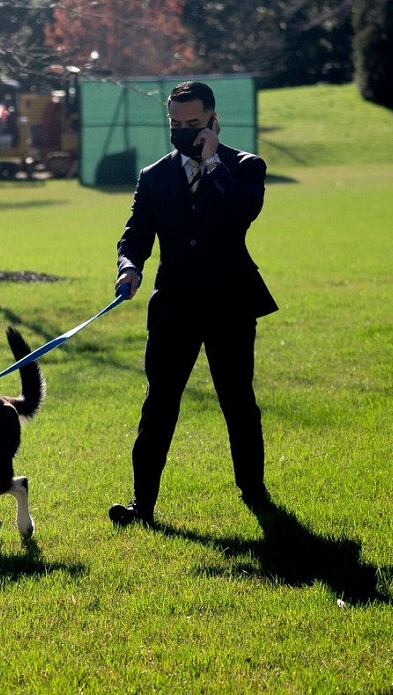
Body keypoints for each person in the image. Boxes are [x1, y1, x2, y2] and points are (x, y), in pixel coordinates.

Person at [109, 81, 278, 526]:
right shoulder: (154, 176)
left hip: (230, 303)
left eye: (193, 124)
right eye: (176, 124)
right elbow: (135, 236)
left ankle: (255, 494)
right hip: (174, 306)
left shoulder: (246, 167)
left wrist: (212, 161)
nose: (184, 131)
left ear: (213, 121)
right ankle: (141, 505)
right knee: (159, 403)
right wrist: (129, 266)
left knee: (237, 401)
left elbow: (243, 211)